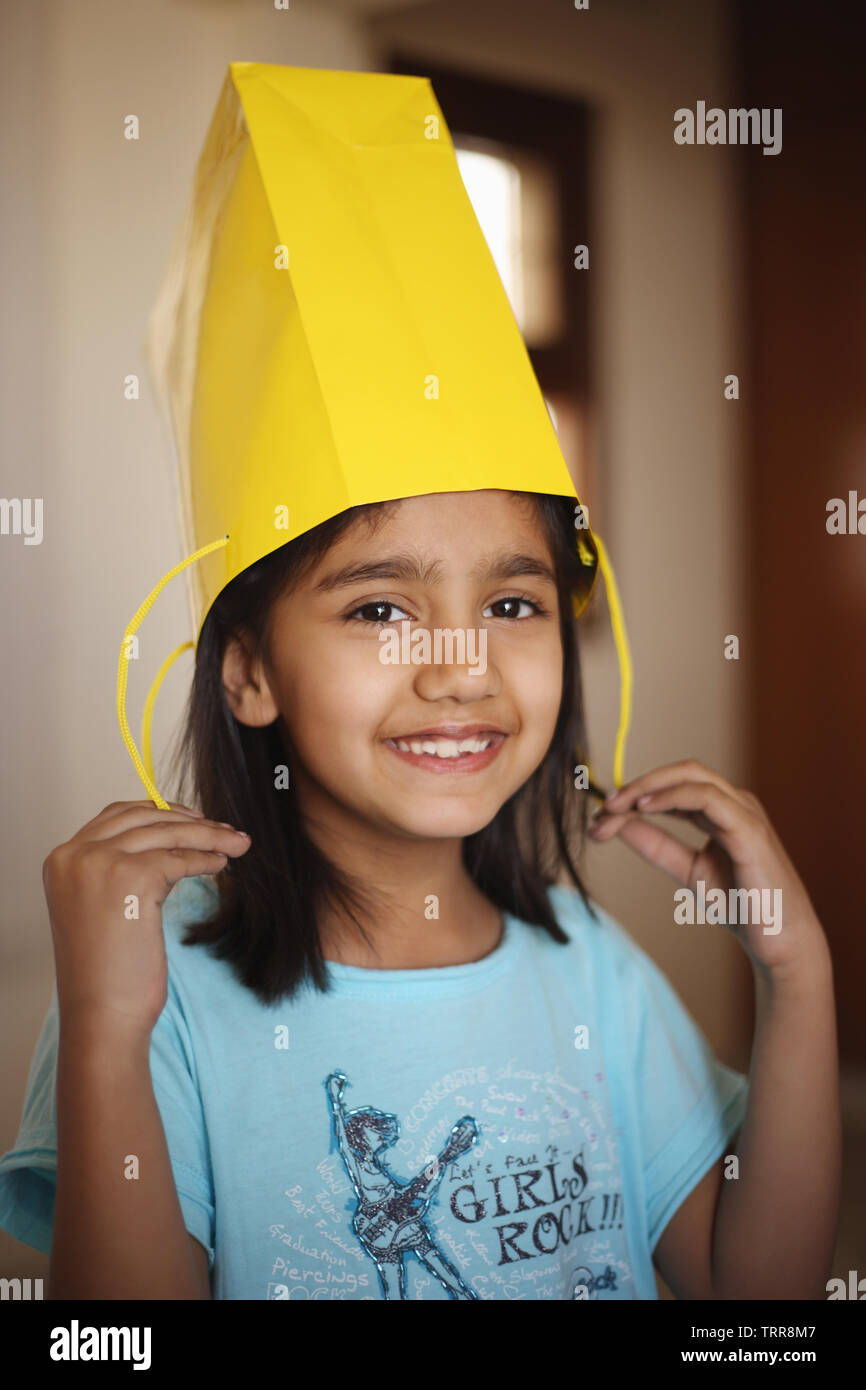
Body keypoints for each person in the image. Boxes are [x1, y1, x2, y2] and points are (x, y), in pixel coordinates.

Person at [0, 61, 840, 1301]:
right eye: (381, 606)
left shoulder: (588, 964)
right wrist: (109, 1032)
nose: (461, 667)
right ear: (247, 673)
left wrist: (796, 973)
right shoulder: (158, 999)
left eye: (512, 602)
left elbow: (751, 1302)